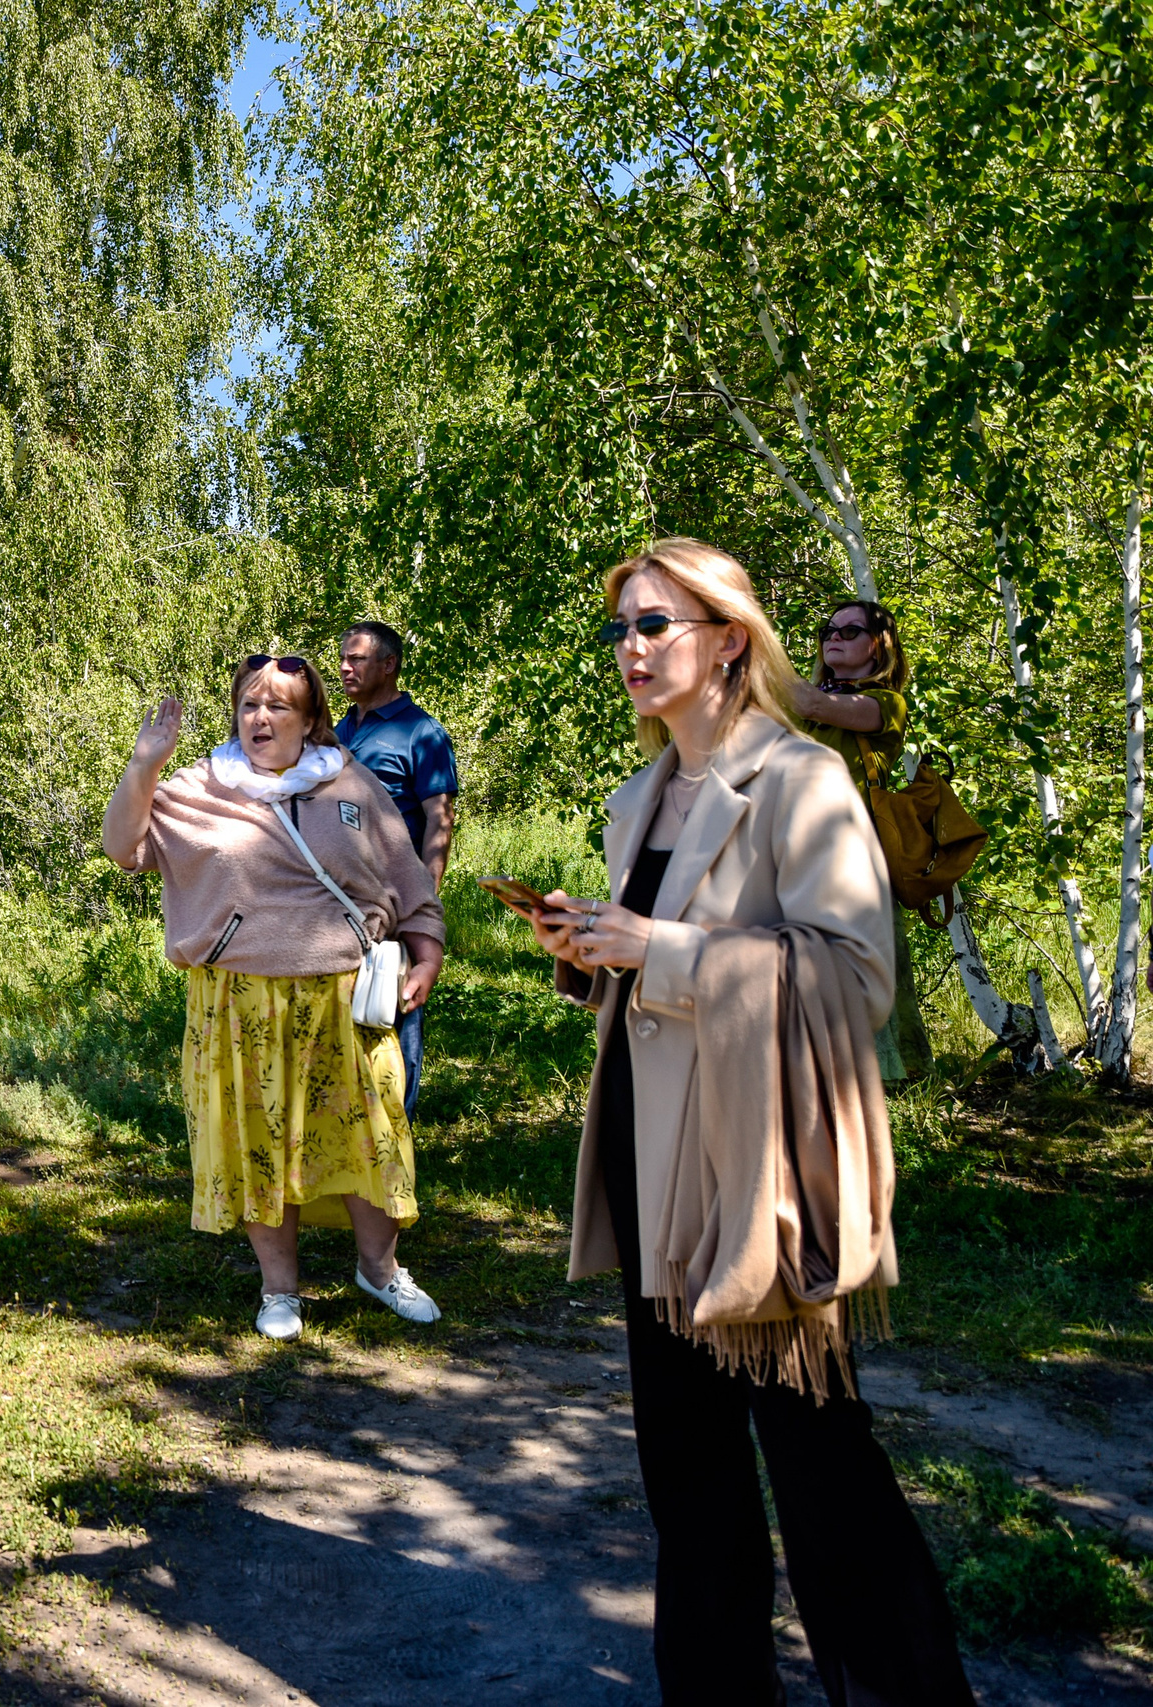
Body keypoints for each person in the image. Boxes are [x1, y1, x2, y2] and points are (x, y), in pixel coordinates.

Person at [530, 540, 972, 1706]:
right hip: (652, 1168)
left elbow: (853, 979)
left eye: (654, 625)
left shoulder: (800, 779)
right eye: (621, 628)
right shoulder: (640, 799)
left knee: (824, 1473)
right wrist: (592, 952)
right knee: (685, 1474)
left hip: (764, 1168)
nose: (630, 649)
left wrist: (661, 950)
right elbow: (658, 971)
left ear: (728, 639)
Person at [104, 653, 448, 1341]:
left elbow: (407, 876)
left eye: (278, 706)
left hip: (343, 998)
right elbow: (122, 846)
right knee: (261, 1142)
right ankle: (279, 1290)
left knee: (372, 1136)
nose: (260, 718)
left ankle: (380, 1271)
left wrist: (428, 950)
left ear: (311, 718)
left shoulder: (348, 783)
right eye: (249, 706)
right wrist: (145, 765)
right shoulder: (200, 787)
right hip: (240, 1001)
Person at [791, 599, 931, 1080]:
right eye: (828, 630)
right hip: (793, 846)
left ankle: (881, 1078)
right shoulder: (806, 701)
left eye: (850, 631)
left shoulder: (884, 704)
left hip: (850, 852)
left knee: (855, 963)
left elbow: (811, 705)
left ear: (879, 646)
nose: (834, 636)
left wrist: (746, 650)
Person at [335, 621, 461, 1113]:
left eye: (357, 659)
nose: (345, 667)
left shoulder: (421, 733)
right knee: (345, 1016)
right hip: (337, 905)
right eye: (343, 658)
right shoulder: (337, 731)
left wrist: (422, 901)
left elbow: (439, 821)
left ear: (389, 665)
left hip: (396, 902)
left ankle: (395, 1131)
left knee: (395, 1008)